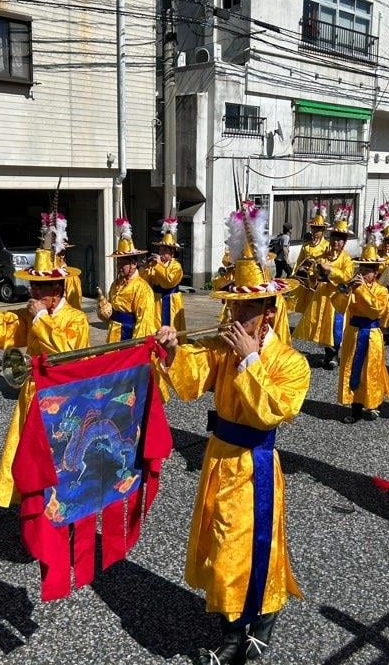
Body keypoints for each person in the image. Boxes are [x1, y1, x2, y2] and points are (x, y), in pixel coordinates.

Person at [154, 204, 309, 664]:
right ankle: (230, 620)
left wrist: (249, 361)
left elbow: (273, 411)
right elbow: (190, 378)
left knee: (253, 544)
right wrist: (170, 351)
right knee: (221, 543)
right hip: (218, 457)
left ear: (268, 311)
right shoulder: (222, 350)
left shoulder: (289, 362)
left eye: (246, 307)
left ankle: (256, 626)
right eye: (233, 305)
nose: (236, 315)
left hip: (255, 464)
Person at [0, 241, 89, 507]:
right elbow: (4, 325)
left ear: (56, 290)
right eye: (31, 285)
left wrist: (42, 318)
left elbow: (68, 354)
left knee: (57, 454)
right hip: (31, 393)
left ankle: (60, 502)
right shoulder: (31, 313)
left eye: (39, 287)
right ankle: (31, 499)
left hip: (61, 399)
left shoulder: (76, 318)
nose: (32, 291)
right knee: (28, 452)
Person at [335, 238, 389, 423]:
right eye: (361, 269)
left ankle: (373, 404)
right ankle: (355, 408)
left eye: (367, 270)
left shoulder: (382, 291)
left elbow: (376, 309)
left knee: (371, 370)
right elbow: (339, 306)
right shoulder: (354, 288)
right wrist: (346, 292)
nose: (362, 273)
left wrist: (360, 291)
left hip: (372, 334)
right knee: (352, 369)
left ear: (375, 273)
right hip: (353, 333)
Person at [293, 208, 354, 369]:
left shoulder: (346, 258)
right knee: (323, 326)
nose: (336, 243)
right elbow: (312, 275)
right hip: (322, 296)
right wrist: (310, 276)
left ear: (344, 242)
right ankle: (329, 354)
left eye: (339, 240)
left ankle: (334, 354)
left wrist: (330, 270)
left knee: (336, 326)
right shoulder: (322, 257)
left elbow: (347, 276)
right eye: (334, 239)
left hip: (337, 298)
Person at [98, 218, 158, 342]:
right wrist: (103, 309)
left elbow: (144, 322)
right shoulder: (116, 283)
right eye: (118, 262)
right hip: (113, 335)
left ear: (134, 264)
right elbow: (110, 309)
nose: (119, 266)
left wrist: (136, 347)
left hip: (128, 335)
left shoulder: (142, 288)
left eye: (123, 263)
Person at [142, 217, 186, 330]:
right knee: (155, 327)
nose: (161, 253)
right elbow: (144, 282)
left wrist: (158, 265)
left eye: (165, 251)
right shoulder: (155, 265)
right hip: (156, 300)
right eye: (160, 250)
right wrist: (145, 267)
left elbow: (168, 281)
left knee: (171, 328)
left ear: (172, 253)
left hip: (171, 301)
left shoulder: (176, 266)